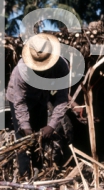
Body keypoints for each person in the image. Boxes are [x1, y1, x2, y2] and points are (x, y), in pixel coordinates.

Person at [6, 33, 72, 177]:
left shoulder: (61, 67)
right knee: (24, 139)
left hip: (41, 97)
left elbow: (62, 98)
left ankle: (38, 171)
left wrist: (52, 125)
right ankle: (24, 175)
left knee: (41, 135)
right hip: (20, 98)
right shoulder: (21, 71)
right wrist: (25, 126)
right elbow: (20, 102)